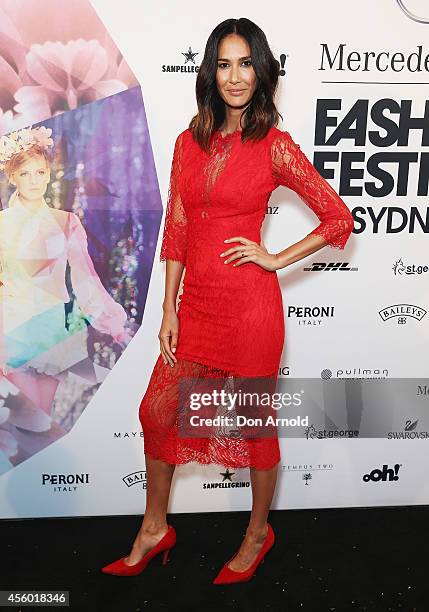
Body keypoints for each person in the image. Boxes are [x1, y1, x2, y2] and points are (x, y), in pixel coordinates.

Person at [101, 18, 354, 584]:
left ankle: (258, 533)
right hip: (197, 306)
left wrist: (274, 258)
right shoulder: (187, 143)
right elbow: (178, 228)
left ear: (261, 72)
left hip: (249, 311)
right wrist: (168, 306)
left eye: (245, 64)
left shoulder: (274, 146)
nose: (235, 76)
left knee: (256, 426)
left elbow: (339, 219)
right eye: (224, 63)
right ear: (210, 71)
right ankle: (154, 526)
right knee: (157, 412)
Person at [0, 125, 130, 468]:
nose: (33, 180)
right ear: (12, 177)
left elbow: (86, 282)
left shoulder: (65, 222)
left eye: (40, 172)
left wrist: (114, 325)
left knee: (39, 425)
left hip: (50, 336)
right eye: (25, 173)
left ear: (49, 173)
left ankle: (34, 507)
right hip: (7, 335)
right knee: (11, 431)